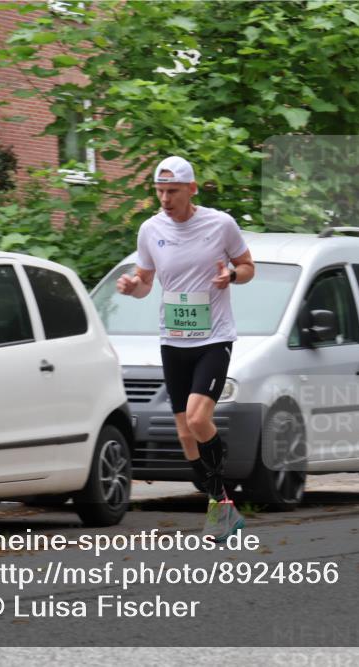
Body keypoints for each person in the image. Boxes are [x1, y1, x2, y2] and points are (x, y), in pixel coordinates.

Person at [117, 155, 255, 541]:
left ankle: (220, 499)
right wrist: (132, 287)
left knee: (197, 419)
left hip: (213, 337)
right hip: (173, 339)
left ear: (191, 189)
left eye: (173, 191)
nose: (165, 199)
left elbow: (248, 266)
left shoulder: (220, 224)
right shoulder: (150, 229)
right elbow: (145, 282)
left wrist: (232, 275)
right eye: (160, 191)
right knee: (184, 434)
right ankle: (221, 504)